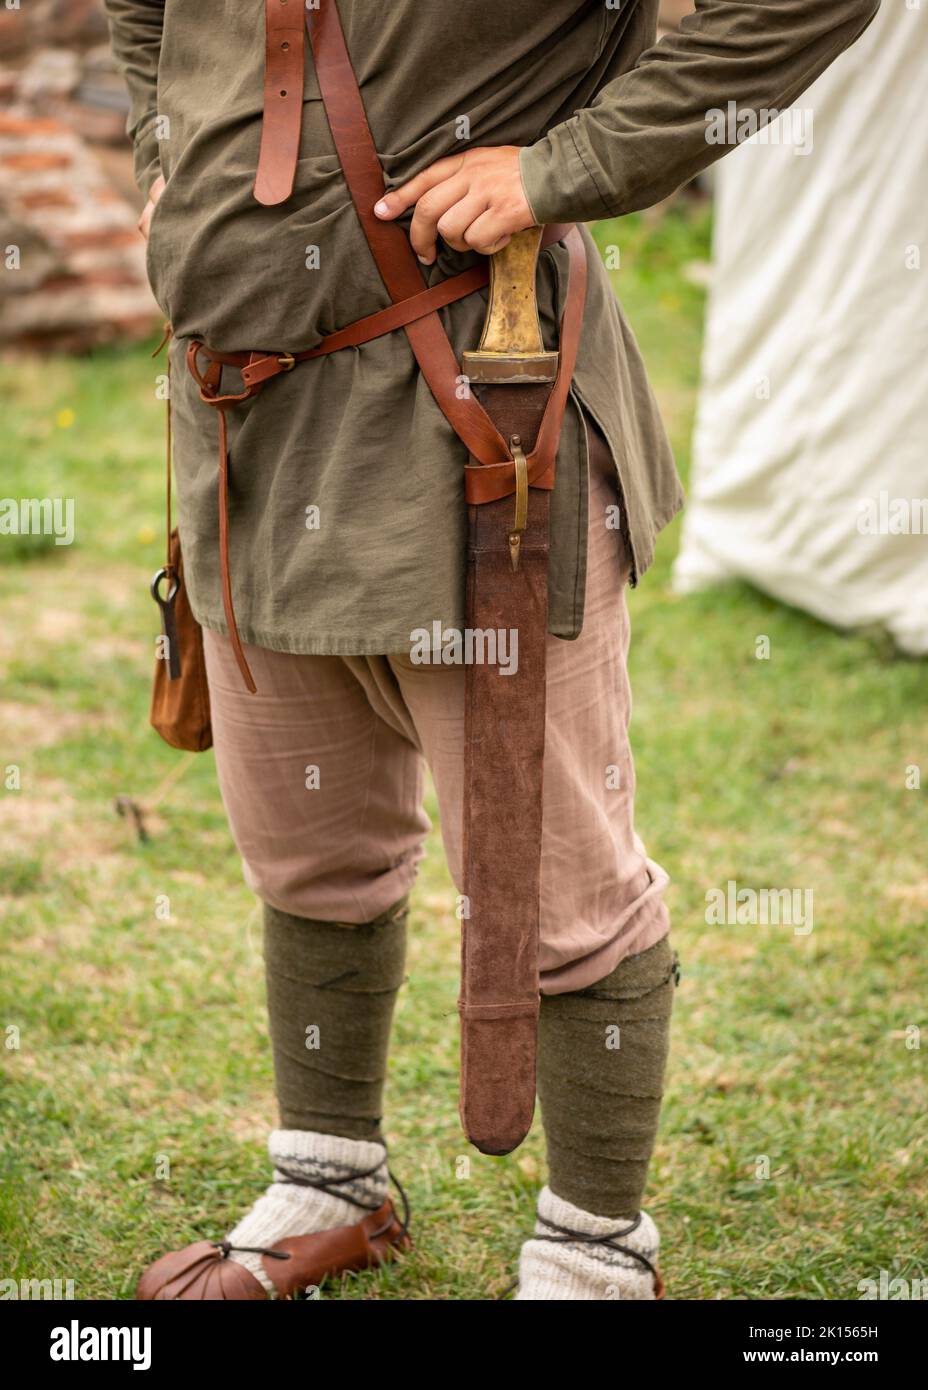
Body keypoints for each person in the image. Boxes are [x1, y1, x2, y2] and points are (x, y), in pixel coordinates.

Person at [104, 0, 879, 1301]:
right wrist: (164, 150)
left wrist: (558, 169)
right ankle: (329, 1175)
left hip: (477, 415)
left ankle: (593, 1246)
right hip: (246, 424)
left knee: (560, 880)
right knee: (309, 838)